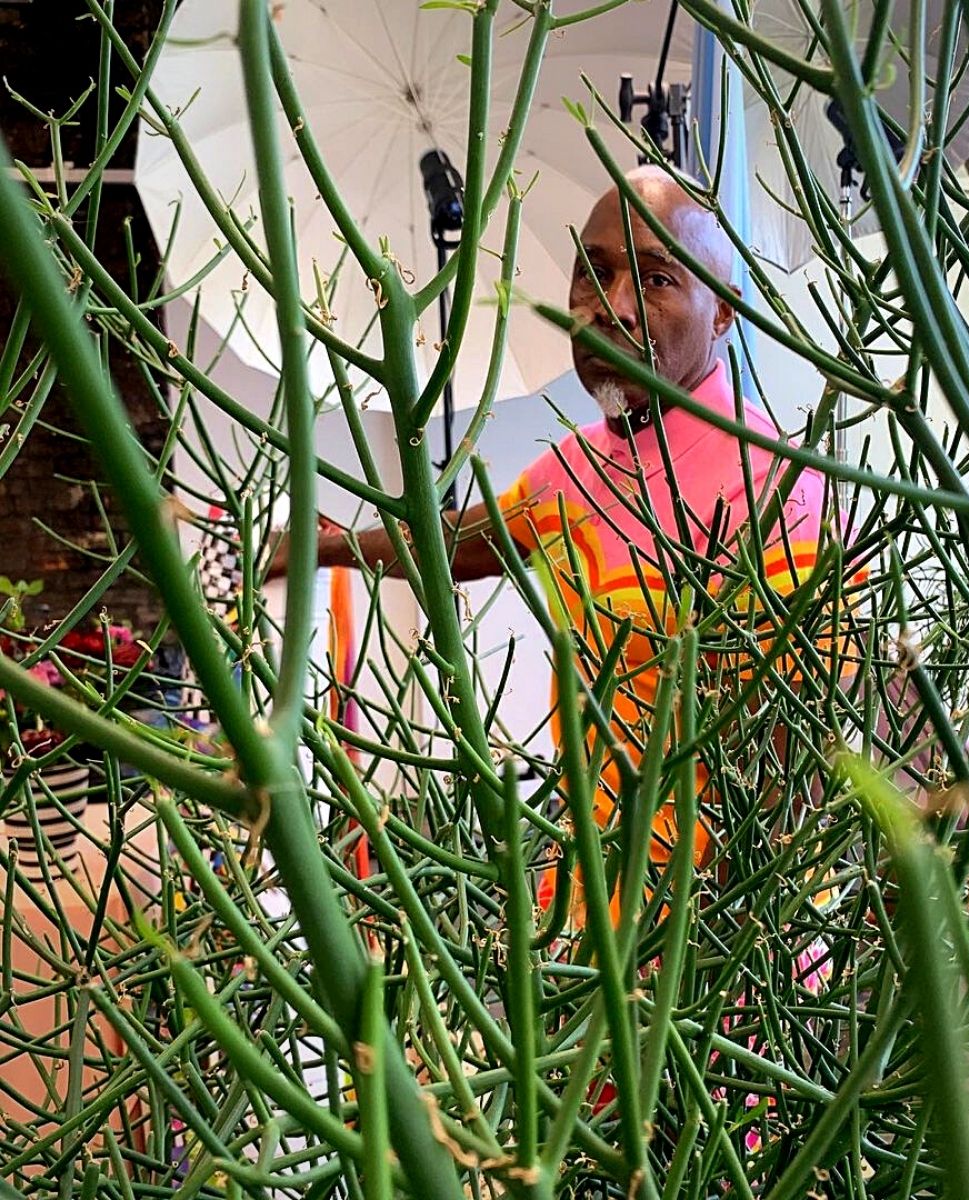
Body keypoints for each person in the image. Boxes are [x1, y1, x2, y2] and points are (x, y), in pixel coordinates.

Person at [274, 165, 845, 910]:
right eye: (594, 274)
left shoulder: (775, 490)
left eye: (657, 279)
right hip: (587, 906)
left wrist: (713, 952)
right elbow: (449, 542)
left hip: (716, 945)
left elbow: (797, 766)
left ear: (726, 312)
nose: (613, 307)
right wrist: (326, 545)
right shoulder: (573, 474)